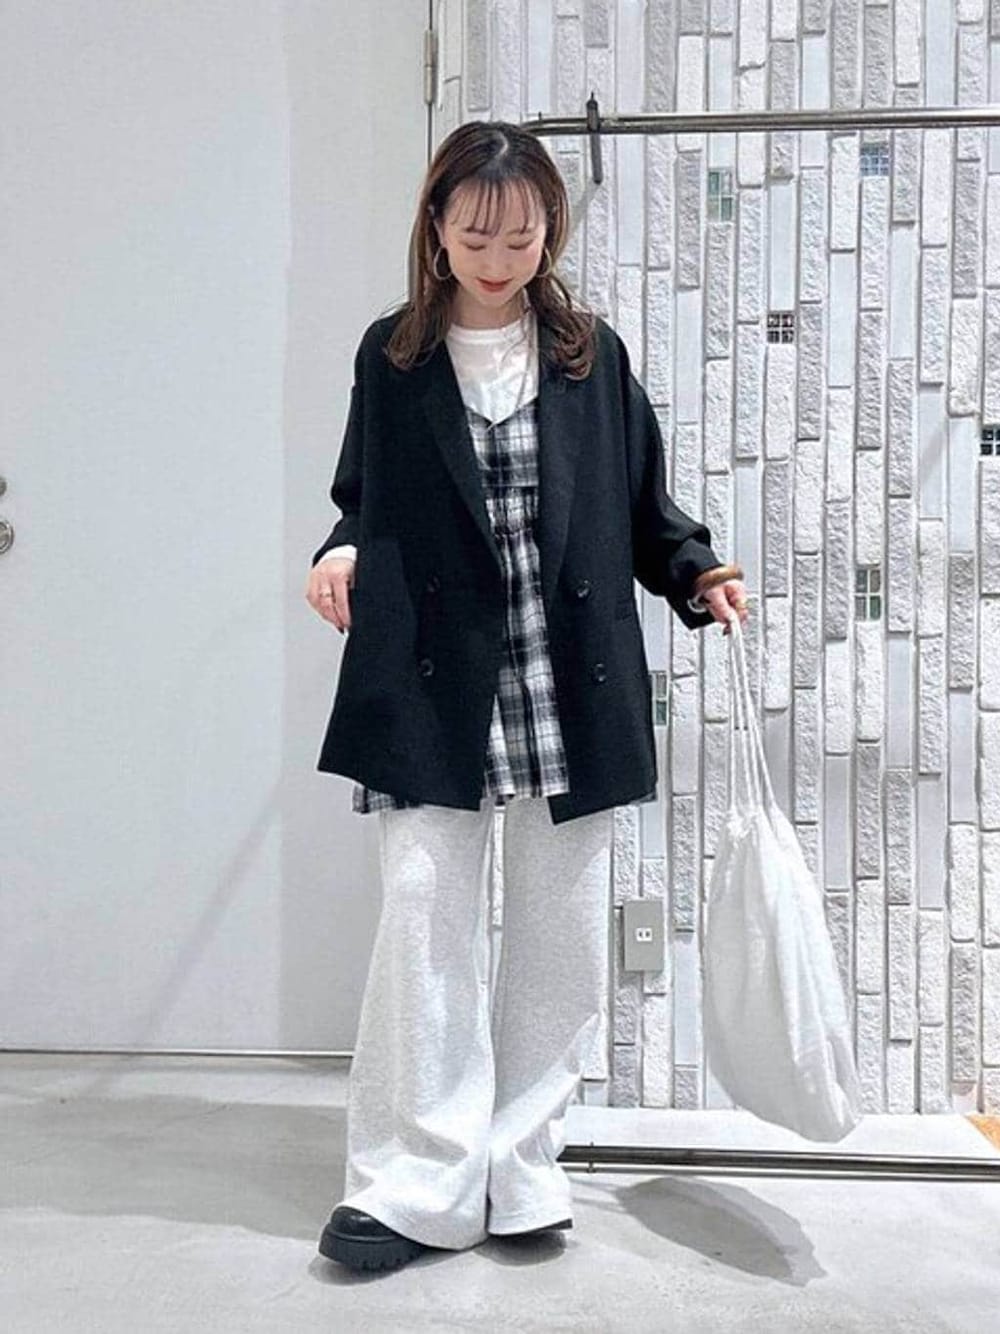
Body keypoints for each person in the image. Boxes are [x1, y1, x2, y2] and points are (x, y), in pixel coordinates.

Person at [305, 120, 751, 1274]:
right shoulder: (393, 353)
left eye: (521, 235)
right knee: (424, 921)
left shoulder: (587, 353)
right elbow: (364, 493)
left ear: (549, 228)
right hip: (429, 669)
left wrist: (696, 569)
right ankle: (418, 1181)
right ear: (436, 229)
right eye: (475, 235)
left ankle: (523, 1163)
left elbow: (644, 501)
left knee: (558, 931)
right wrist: (340, 549)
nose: (499, 258)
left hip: (569, 671)